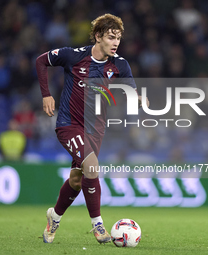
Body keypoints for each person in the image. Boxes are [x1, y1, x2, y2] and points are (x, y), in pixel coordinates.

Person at [36, 13, 148, 244]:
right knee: (92, 166)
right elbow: (41, 61)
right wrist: (46, 94)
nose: (116, 42)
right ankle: (98, 225)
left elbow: (131, 89)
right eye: (111, 37)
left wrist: (139, 98)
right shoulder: (73, 56)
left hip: (95, 130)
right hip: (69, 125)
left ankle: (54, 216)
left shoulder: (120, 65)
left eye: (118, 38)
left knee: (78, 180)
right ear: (98, 36)